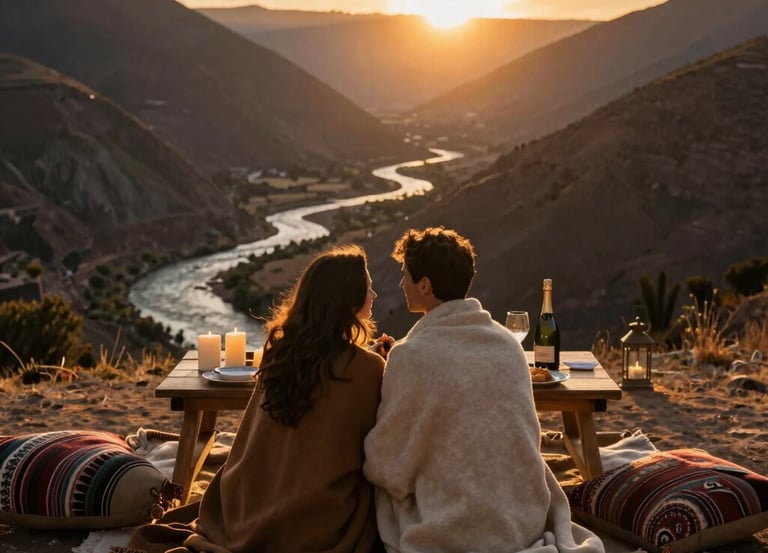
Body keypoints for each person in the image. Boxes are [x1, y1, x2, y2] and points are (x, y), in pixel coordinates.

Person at [124, 244, 386, 553]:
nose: (374, 296)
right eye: (368, 288)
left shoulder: (280, 353)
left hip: (247, 500)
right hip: (321, 519)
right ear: (348, 298)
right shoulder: (368, 368)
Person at [363, 227, 604, 553]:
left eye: (405, 275)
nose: (400, 283)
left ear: (425, 284)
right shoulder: (507, 343)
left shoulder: (410, 354)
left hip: (457, 529)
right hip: (522, 519)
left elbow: (388, 465)